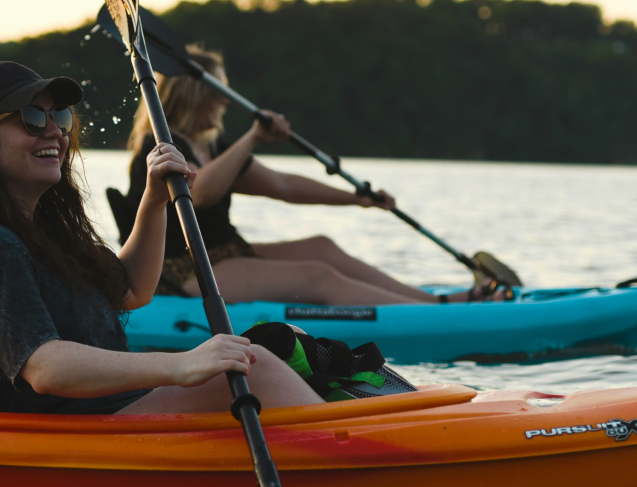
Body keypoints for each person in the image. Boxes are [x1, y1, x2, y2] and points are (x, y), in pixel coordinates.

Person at [0, 61, 323, 416]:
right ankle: (361, 455)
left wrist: (153, 201)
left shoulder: (43, 232)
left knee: (287, 340)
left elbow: (131, 289)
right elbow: (45, 367)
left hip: (102, 408)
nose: (54, 132)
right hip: (61, 427)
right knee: (259, 365)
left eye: (60, 118)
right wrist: (180, 365)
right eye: (32, 120)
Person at [123, 46, 494, 305]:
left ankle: (439, 302)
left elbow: (284, 185)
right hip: (180, 271)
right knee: (317, 275)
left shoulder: (214, 147)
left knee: (322, 247)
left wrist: (358, 199)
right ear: (193, 95)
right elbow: (198, 192)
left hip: (224, 253)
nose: (226, 101)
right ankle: (433, 314)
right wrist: (254, 137)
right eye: (218, 91)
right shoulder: (158, 150)